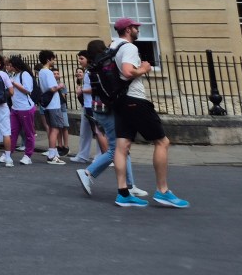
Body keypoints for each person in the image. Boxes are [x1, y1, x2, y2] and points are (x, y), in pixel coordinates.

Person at [111, 18, 189, 208]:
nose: (138, 29)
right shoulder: (128, 48)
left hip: (119, 101)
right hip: (135, 100)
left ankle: (123, 193)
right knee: (162, 142)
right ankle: (162, 191)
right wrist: (144, 68)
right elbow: (128, 72)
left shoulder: (112, 47)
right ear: (128, 29)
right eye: (136, 27)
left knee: (122, 146)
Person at [76, 39, 147, 201]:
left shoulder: (93, 67)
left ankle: (130, 185)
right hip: (109, 109)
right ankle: (88, 173)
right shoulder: (106, 64)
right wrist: (142, 69)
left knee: (123, 146)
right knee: (117, 149)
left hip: (98, 108)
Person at [72, 49, 107, 163]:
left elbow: (95, 89)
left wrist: (82, 90)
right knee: (84, 132)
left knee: (98, 132)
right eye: (79, 58)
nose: (79, 61)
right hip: (86, 106)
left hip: (92, 105)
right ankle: (82, 155)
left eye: (82, 58)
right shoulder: (87, 71)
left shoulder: (92, 72)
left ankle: (100, 155)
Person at [5, 55, 37, 166]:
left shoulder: (25, 74)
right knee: (12, 132)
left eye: (10, 65)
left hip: (25, 108)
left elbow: (28, 90)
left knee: (29, 133)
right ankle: (8, 152)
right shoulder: (15, 75)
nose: (9, 67)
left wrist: (13, 83)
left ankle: (28, 155)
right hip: (15, 108)